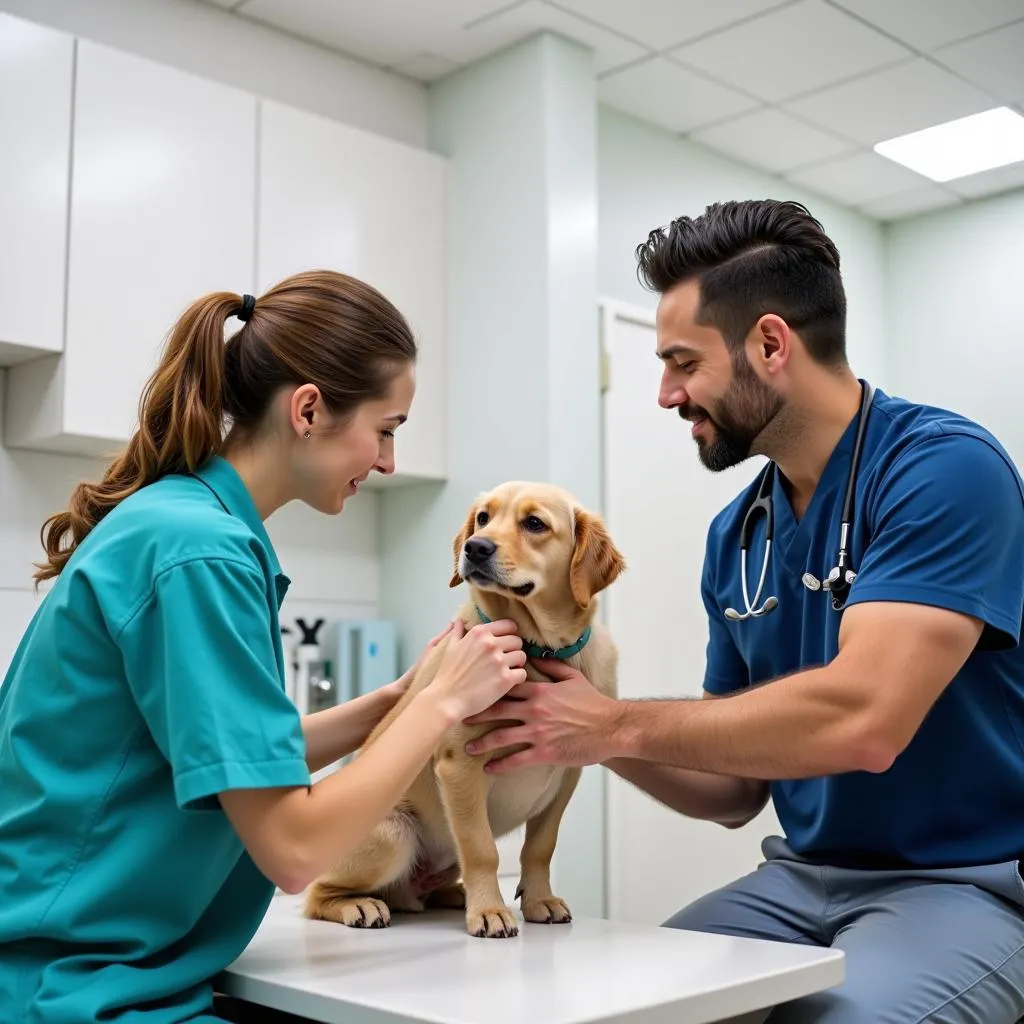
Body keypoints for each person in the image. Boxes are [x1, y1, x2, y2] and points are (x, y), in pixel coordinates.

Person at [464, 200, 1024, 1023]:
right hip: (800, 877)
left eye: (682, 363)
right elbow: (731, 788)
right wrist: (564, 720)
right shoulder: (740, 533)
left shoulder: (944, 471)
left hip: (965, 885)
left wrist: (612, 725)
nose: (664, 394)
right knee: (624, 1006)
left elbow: (866, 720)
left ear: (769, 344)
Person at [0, 269, 528, 1024]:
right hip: (71, 988)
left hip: (93, 968)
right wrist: (442, 705)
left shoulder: (184, 523)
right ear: (309, 409)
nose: (386, 462)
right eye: (385, 429)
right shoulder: (200, 552)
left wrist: (394, 700)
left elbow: (233, 764)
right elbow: (293, 848)